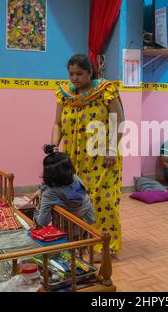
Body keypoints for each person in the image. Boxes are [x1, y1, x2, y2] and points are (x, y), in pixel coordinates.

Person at [30, 54, 124, 257]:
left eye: (79, 74)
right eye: (71, 73)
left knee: (101, 200)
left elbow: (119, 122)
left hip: (101, 157)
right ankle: (81, 240)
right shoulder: (65, 94)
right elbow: (57, 123)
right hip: (73, 157)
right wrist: (53, 146)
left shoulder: (105, 91)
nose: (74, 78)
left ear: (91, 72)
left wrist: (112, 149)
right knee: (75, 199)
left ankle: (105, 246)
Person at [33, 145, 95, 227]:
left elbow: (43, 221)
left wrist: (37, 210)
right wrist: (41, 189)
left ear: (47, 173)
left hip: (68, 230)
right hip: (88, 221)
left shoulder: (50, 193)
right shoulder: (75, 178)